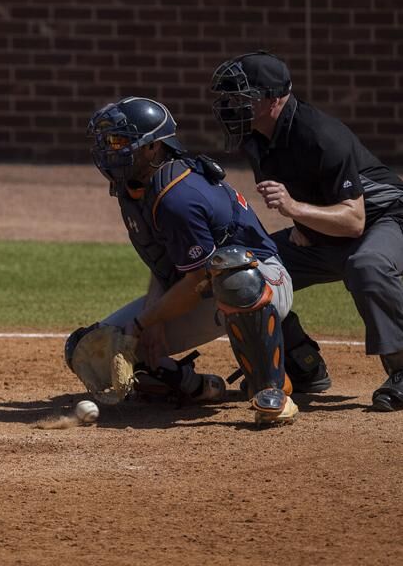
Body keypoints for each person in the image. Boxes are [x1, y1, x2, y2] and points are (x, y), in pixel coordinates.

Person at [66, 97, 311, 425]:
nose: (111, 150)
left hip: (260, 280)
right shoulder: (134, 188)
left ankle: (273, 390)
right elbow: (166, 265)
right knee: (90, 347)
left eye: (121, 142)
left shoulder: (178, 196)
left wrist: (146, 323)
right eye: (108, 142)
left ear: (153, 148)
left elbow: (198, 280)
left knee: (233, 277)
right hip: (204, 288)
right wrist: (150, 317)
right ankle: (194, 387)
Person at [209, 51, 403, 412]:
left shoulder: (321, 135)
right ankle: (302, 364)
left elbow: (355, 220)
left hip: (385, 221)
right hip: (327, 233)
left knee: (367, 266)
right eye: (230, 98)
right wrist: (304, 223)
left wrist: (297, 211)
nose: (232, 106)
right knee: (246, 273)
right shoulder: (257, 139)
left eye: (242, 98)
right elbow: (306, 187)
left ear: (274, 98)